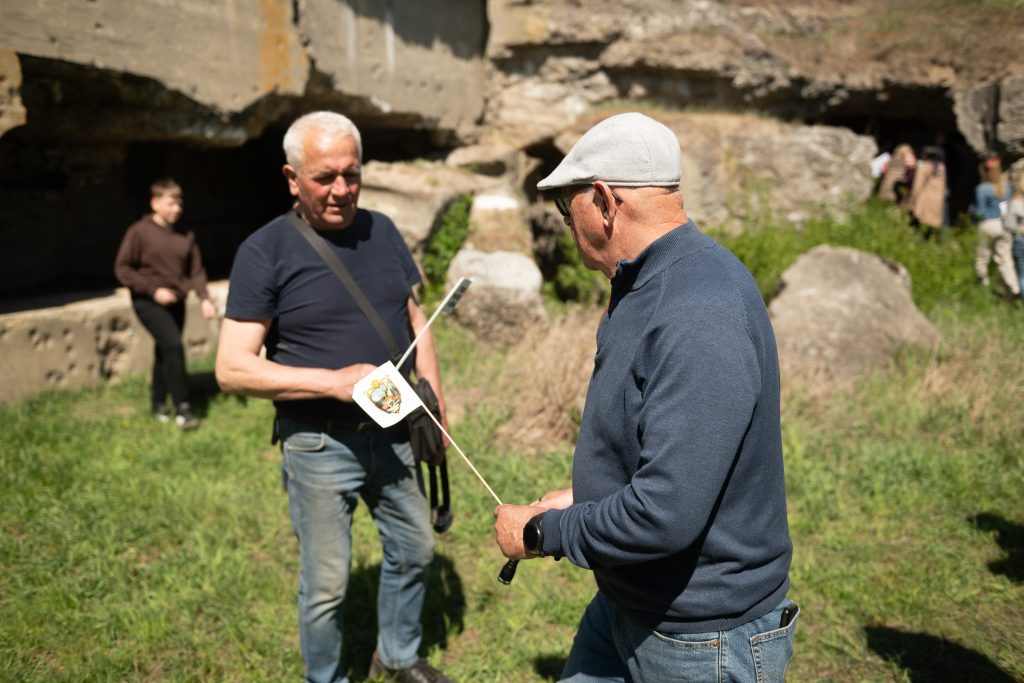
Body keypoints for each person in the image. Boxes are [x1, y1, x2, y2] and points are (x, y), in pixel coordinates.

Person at [494, 112, 796, 682]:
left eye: (567, 207)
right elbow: (667, 449)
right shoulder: (647, 281)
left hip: (699, 636)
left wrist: (542, 534)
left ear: (605, 201)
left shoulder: (699, 311)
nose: (567, 223)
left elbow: (665, 513)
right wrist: (587, 496)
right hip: (628, 601)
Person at [215, 111, 452, 683]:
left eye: (352, 173)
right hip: (319, 443)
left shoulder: (383, 230)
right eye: (325, 177)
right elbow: (231, 368)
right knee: (326, 584)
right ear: (292, 178)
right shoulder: (264, 251)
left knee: (416, 550)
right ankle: (324, 677)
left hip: (395, 430)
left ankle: (397, 656)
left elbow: (417, 320)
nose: (342, 189)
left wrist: (435, 403)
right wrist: (334, 382)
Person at [114, 178, 216, 429]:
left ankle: (158, 404)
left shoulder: (186, 235)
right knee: (173, 345)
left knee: (165, 350)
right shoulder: (139, 231)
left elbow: (196, 271)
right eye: (171, 203)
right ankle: (183, 407)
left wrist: (204, 298)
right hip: (147, 302)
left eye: (179, 204)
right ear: (155, 203)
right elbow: (122, 268)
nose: (176, 209)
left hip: (177, 302)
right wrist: (153, 290)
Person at [972, 155, 1020, 298]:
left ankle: (983, 287)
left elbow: (980, 212)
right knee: (1005, 260)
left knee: (982, 258)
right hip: (1003, 226)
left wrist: (972, 210)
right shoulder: (1006, 187)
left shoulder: (982, 189)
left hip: (987, 225)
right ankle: (1014, 289)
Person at [907, 146, 947, 239]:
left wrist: (912, 200)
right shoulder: (942, 168)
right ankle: (929, 238)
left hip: (925, 198)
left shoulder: (924, 167)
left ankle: (916, 238)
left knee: (918, 219)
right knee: (932, 222)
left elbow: (917, 185)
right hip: (937, 200)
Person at [1004, 171, 1024, 303]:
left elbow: (1009, 224)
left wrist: (1018, 228)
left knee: (1022, 275)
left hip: (1020, 240)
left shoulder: (1015, 202)